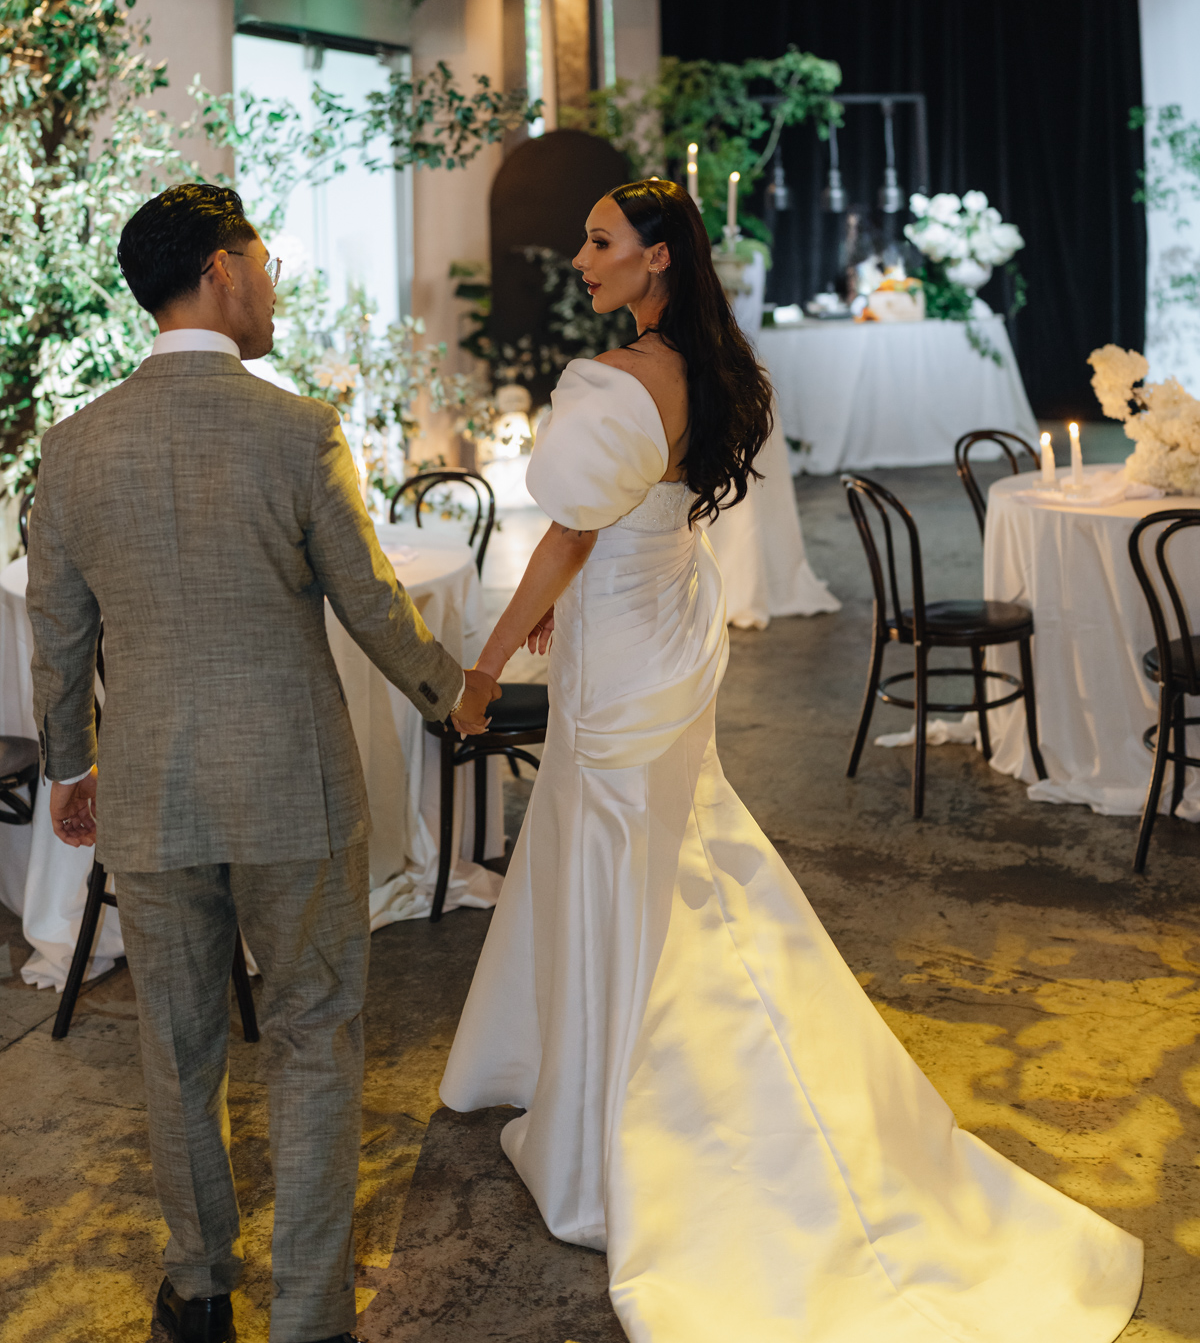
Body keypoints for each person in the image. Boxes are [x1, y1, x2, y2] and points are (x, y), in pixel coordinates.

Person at [440, 178, 1143, 1343]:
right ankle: (600, 1064)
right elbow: (631, 522)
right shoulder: (709, 369)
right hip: (665, 631)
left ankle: (628, 1104)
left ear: (658, 258)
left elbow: (567, 531)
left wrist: (485, 663)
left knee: (631, 863)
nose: (582, 257)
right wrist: (572, 595)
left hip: (623, 655)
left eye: (602, 241)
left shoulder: (613, 381)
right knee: (669, 850)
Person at [27, 183, 498, 1343]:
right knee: (315, 1034)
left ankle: (198, 1288)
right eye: (267, 262)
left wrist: (72, 769)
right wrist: (456, 694)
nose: (275, 287)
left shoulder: (73, 447)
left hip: (151, 791)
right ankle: (310, 1315)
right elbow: (371, 603)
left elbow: (58, 638)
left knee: (175, 1043)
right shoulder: (298, 431)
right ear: (222, 270)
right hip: (295, 787)